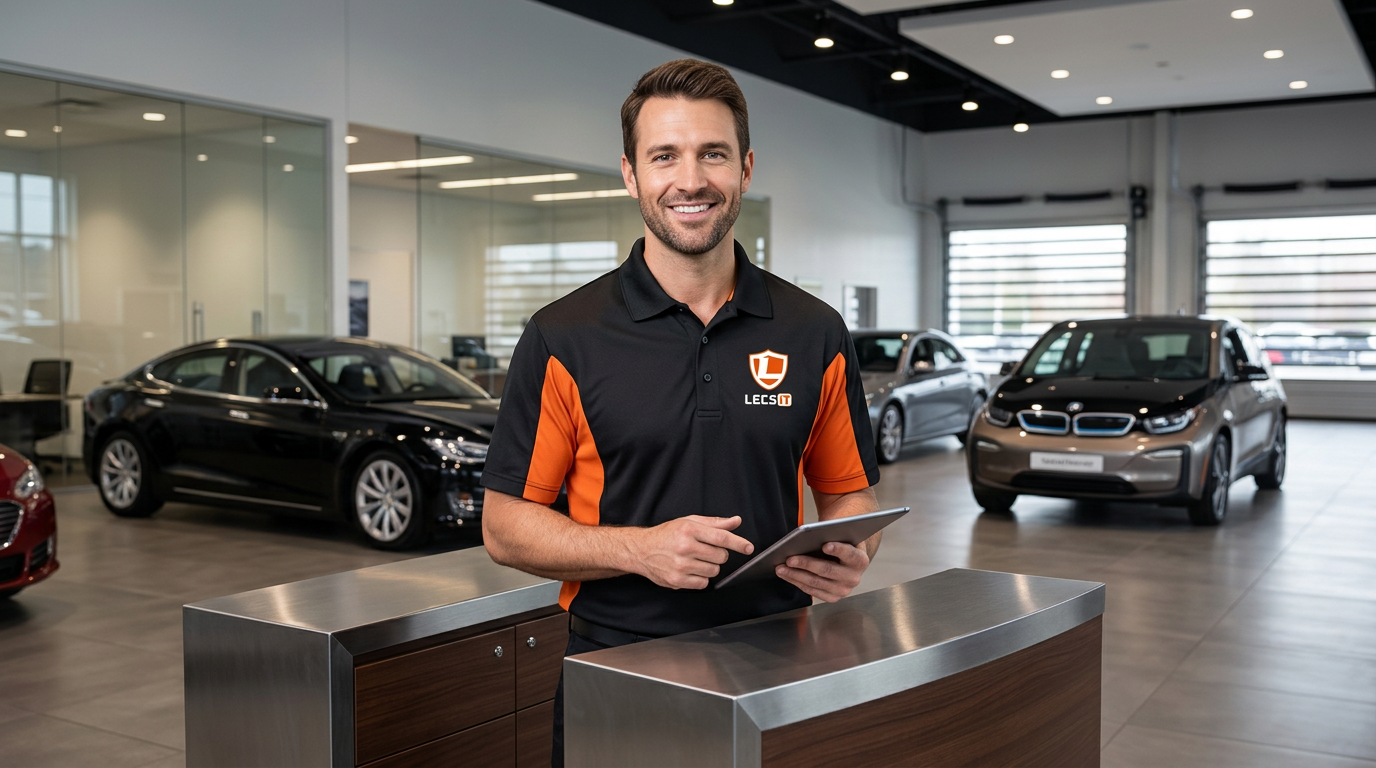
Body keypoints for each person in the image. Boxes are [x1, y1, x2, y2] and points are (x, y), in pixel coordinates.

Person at [480, 58, 882, 766]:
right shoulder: (562, 336)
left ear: (746, 169)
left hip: (782, 664)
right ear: (631, 174)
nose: (690, 180)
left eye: (713, 154)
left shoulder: (813, 331)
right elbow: (505, 528)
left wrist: (853, 554)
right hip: (618, 671)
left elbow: (850, 493)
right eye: (664, 156)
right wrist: (638, 549)